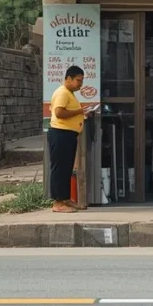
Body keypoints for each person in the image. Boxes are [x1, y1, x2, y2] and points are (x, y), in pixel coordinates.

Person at [49, 65, 92, 213]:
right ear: (68, 78)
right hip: (60, 133)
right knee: (60, 168)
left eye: (81, 81)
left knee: (66, 168)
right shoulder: (62, 93)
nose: (80, 84)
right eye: (78, 80)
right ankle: (58, 202)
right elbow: (59, 112)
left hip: (68, 134)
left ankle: (65, 199)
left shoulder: (69, 93)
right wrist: (80, 111)